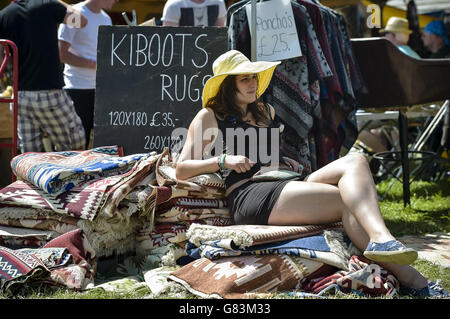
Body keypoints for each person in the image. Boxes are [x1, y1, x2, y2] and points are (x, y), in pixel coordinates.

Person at [175, 49, 450, 298]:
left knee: (355, 160)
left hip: (282, 183)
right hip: (250, 194)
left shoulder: (265, 111)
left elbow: (267, 160)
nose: (253, 83)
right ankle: (412, 279)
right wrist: (224, 160)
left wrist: (287, 164)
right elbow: (182, 167)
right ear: (226, 85)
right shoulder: (210, 116)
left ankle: (382, 239)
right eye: (244, 79)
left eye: (254, 77)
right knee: (345, 200)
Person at [0, 0, 87, 153]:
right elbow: (81, 21)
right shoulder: (48, 5)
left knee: (29, 153)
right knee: (75, 145)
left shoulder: (5, 14)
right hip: (49, 94)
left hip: (20, 96)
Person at [58, 0, 117, 149]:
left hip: (101, 90)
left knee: (100, 146)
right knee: (76, 147)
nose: (117, 0)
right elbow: (61, 54)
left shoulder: (106, 18)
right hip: (77, 89)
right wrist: (93, 63)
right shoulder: (75, 14)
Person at [161, 0, 226, 27]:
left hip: (211, 51)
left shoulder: (218, 2)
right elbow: (170, 37)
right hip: (182, 52)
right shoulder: (174, 5)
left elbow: (221, 34)